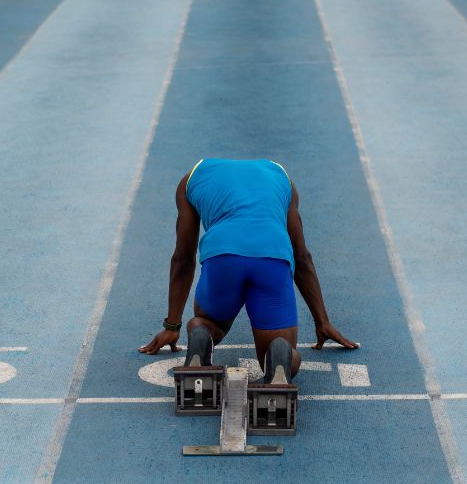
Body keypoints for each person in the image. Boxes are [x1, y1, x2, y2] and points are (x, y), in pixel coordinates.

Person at [139, 158, 357, 383]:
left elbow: (183, 260)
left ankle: (201, 333)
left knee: (205, 321)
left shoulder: (189, 180)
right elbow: (302, 256)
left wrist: (172, 325)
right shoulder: (284, 179)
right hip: (272, 257)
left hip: (223, 257)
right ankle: (278, 358)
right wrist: (322, 321)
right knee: (278, 350)